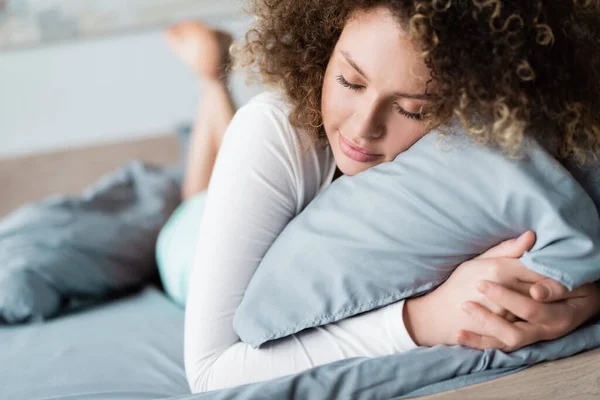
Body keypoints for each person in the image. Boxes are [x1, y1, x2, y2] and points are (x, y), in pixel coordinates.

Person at [157, 1, 600, 393]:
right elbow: (210, 374)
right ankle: (211, 79)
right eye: (350, 81)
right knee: (193, 200)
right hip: (186, 244)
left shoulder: (481, 160)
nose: (363, 127)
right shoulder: (271, 134)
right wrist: (421, 320)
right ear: (326, 45)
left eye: (413, 109)